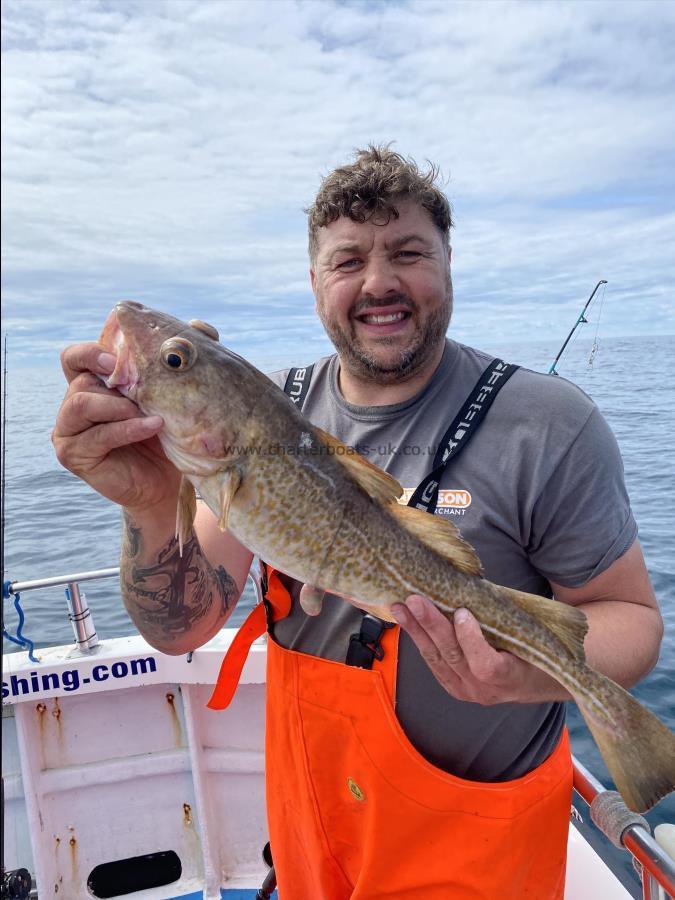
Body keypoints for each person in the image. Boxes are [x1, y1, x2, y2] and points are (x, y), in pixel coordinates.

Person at [53, 146, 663, 899]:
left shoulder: (549, 422)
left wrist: (523, 676)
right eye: (347, 261)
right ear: (315, 284)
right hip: (312, 830)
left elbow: (631, 617)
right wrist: (148, 504)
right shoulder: (273, 412)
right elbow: (180, 628)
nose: (378, 282)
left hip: (480, 848)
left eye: (407, 252)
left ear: (447, 264)